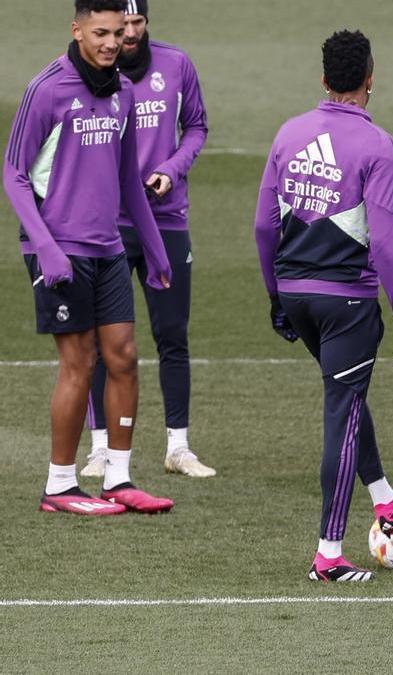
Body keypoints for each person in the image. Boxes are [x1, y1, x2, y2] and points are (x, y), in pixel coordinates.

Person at [253, 30, 393, 581]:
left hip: (297, 297)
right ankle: (328, 554)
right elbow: (385, 244)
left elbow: (263, 225)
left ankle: (385, 498)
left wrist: (275, 296)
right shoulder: (377, 146)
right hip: (347, 304)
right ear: (370, 78)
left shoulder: (288, 134)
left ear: (324, 79)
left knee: (344, 396)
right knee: (342, 414)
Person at [4, 0, 175, 516]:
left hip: (108, 248)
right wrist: (47, 249)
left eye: (119, 32)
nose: (111, 42)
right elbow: (12, 175)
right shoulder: (47, 90)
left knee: (123, 357)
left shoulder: (122, 91)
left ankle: (118, 478)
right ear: (76, 30)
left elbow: (128, 180)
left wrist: (155, 247)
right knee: (78, 364)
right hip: (58, 248)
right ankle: (59, 485)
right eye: (100, 32)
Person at [82, 0, 213, 479]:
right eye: (123, 25)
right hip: (107, 225)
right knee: (103, 341)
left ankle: (178, 446)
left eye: (137, 23)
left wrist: (170, 170)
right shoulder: (91, 70)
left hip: (167, 219)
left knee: (172, 334)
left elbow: (197, 126)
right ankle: (100, 450)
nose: (129, 34)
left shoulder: (177, 65)